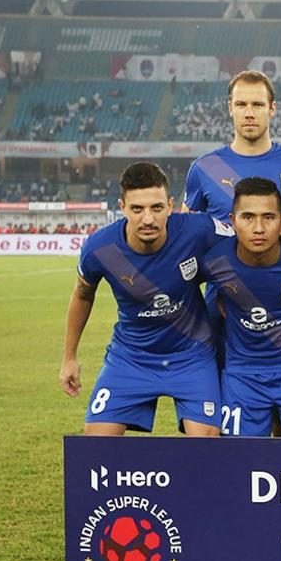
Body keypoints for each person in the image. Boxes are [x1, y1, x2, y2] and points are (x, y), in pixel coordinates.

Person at [59, 162, 234, 436]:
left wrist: (227, 289)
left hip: (192, 356)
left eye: (157, 207)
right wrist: (69, 357)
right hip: (131, 357)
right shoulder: (100, 248)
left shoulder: (199, 230)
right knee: (95, 443)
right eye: (137, 209)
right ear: (122, 207)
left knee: (207, 444)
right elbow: (83, 294)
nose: (148, 219)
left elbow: (247, 240)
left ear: (171, 205)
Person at [198, 178, 281, 437]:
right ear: (232, 221)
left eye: (268, 217)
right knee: (239, 456)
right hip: (242, 373)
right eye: (248, 217)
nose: (258, 228)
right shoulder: (214, 262)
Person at [182, 70, 281, 225]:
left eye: (258, 105)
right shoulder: (205, 167)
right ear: (230, 108)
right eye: (241, 105)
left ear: (272, 108)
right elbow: (186, 229)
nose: (249, 114)